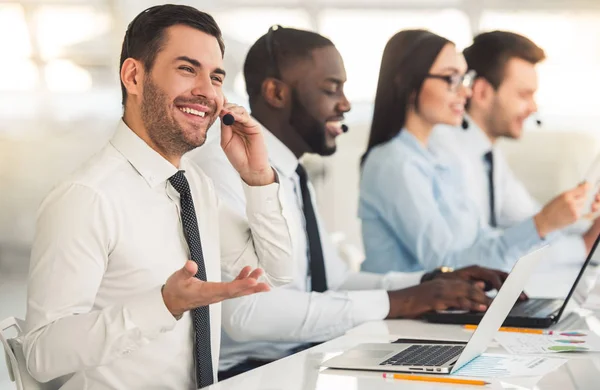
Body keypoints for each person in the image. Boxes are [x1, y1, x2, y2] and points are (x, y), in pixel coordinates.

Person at [193, 26, 515, 381]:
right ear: (276, 93)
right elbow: (247, 315)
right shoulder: (223, 168)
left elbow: (332, 280)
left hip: (305, 358)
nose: (345, 104)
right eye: (332, 89)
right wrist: (399, 301)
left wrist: (429, 283)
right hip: (251, 374)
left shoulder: (293, 173)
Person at [22, 5, 295, 389]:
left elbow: (277, 272)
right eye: (187, 69)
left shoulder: (194, 186)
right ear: (134, 76)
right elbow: (40, 355)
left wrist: (258, 179)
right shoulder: (86, 197)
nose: (207, 91)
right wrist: (163, 305)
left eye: (216, 76)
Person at [359, 29, 599, 274]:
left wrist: (570, 220)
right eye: (451, 79)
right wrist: (542, 225)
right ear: (410, 82)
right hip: (413, 309)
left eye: (463, 79)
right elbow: (445, 264)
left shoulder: (438, 159)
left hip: (455, 302)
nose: (466, 91)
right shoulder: (395, 163)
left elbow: (483, 241)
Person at [429, 31, 600, 263]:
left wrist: (587, 221)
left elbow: (531, 224)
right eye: (524, 95)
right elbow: (467, 259)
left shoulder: (489, 157)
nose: (533, 107)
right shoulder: (444, 156)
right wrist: (581, 242)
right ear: (481, 92)